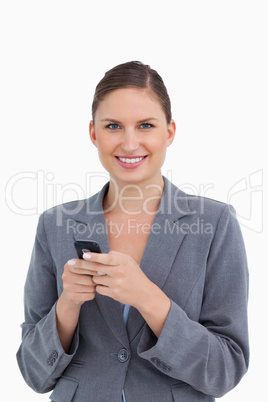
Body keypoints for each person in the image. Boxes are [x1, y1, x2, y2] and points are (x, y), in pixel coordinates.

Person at [16, 61, 249, 402]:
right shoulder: (56, 224)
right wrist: (67, 304)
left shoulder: (214, 223)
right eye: (113, 126)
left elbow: (225, 370)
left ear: (169, 132)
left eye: (145, 125)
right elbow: (34, 373)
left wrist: (149, 299)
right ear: (94, 133)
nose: (129, 143)